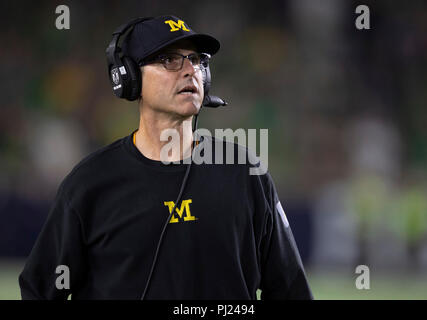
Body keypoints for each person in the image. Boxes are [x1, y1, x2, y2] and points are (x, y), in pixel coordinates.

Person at [18, 15, 313, 300]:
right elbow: (40, 289)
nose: (190, 71)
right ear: (128, 77)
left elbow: (290, 289)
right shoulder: (90, 183)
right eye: (169, 60)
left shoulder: (245, 172)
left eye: (196, 60)